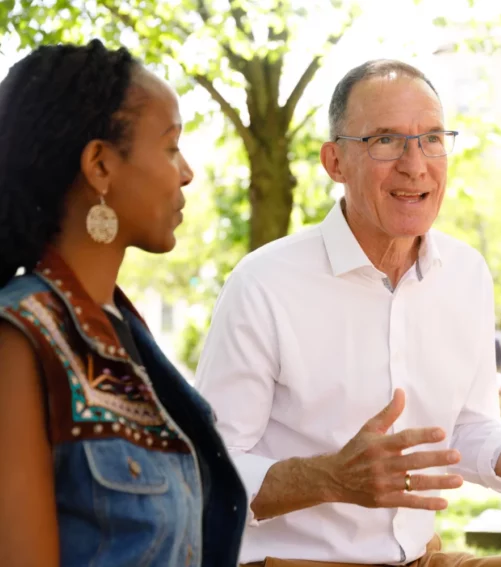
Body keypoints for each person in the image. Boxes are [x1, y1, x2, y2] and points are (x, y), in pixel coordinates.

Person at [195, 59, 501, 567]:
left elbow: (467, 426)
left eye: (431, 138)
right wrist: (329, 477)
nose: (415, 163)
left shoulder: (467, 274)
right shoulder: (263, 284)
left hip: (424, 558)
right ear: (335, 162)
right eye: (385, 140)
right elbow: (206, 476)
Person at [0, 39, 246, 567]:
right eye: (171, 146)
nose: (186, 172)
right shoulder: (22, 338)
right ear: (100, 165)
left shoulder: (124, 333)